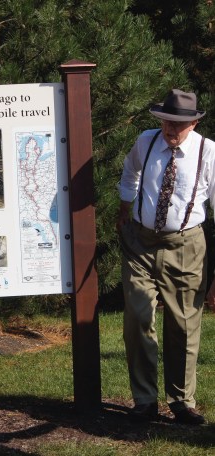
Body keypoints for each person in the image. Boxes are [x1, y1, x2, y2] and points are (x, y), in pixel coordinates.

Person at [117, 89, 215, 425]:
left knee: (184, 325)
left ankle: (181, 402)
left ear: (195, 122)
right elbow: (130, 174)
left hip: (187, 246)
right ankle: (144, 400)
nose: (171, 130)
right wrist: (124, 206)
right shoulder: (145, 142)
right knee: (138, 318)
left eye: (180, 124)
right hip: (141, 244)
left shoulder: (208, 153)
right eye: (167, 122)